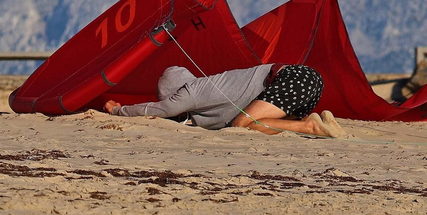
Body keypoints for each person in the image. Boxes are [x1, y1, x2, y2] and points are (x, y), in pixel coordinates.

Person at [102, 64, 346, 137]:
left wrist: (119, 111)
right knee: (256, 122)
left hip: (293, 79)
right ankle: (319, 123)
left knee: (241, 126)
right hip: (306, 80)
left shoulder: (192, 90)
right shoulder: (206, 96)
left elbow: (163, 109)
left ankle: (310, 126)